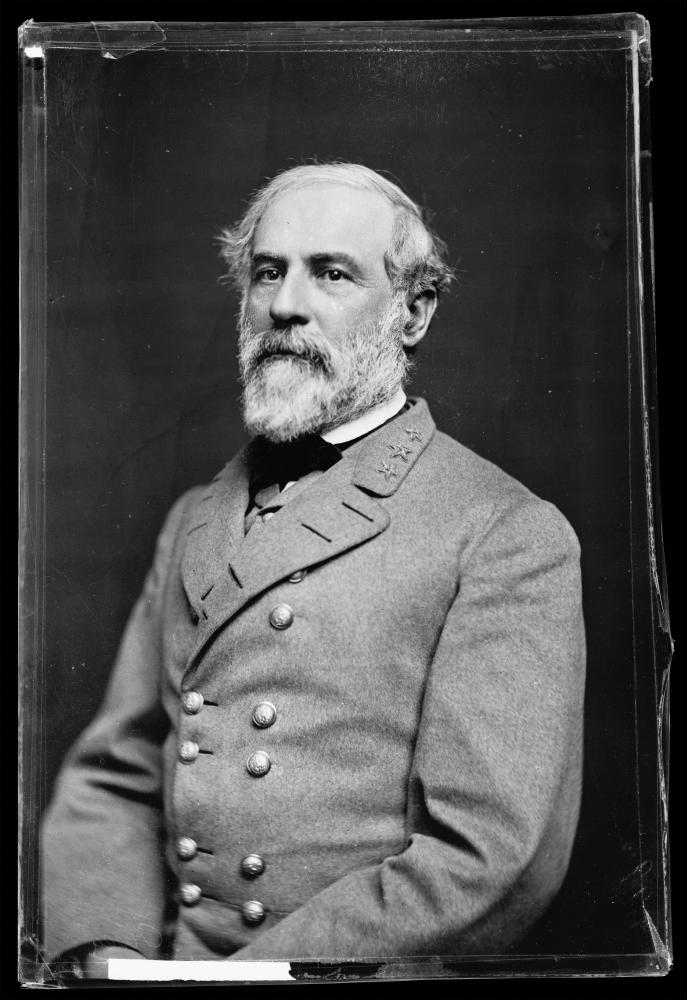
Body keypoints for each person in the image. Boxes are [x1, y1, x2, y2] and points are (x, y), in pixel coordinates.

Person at [41, 162, 586, 974]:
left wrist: (254, 979)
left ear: (413, 312)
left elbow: (489, 856)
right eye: (268, 272)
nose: (286, 305)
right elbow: (113, 777)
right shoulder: (194, 518)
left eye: (331, 273)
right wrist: (106, 950)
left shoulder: (503, 533)